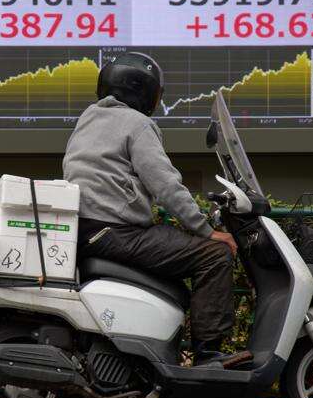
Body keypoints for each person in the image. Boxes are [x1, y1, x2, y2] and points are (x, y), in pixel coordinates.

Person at [63, 52, 249, 368]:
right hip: (117, 232)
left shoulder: (89, 117)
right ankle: (208, 354)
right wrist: (207, 230)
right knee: (214, 255)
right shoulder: (137, 124)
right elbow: (165, 185)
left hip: (88, 229)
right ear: (143, 90)